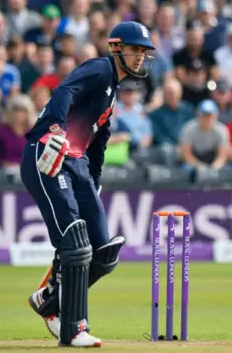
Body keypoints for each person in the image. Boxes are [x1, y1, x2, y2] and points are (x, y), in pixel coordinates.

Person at [20, 21, 156, 348]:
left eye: (143, 52)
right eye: (134, 50)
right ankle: (74, 328)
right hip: (48, 154)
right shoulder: (98, 68)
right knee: (75, 245)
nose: (139, 57)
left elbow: (99, 143)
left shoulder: (111, 93)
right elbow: (64, 91)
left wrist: (93, 182)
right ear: (116, 48)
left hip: (78, 165)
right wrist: (54, 128)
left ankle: (48, 300)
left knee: (104, 252)